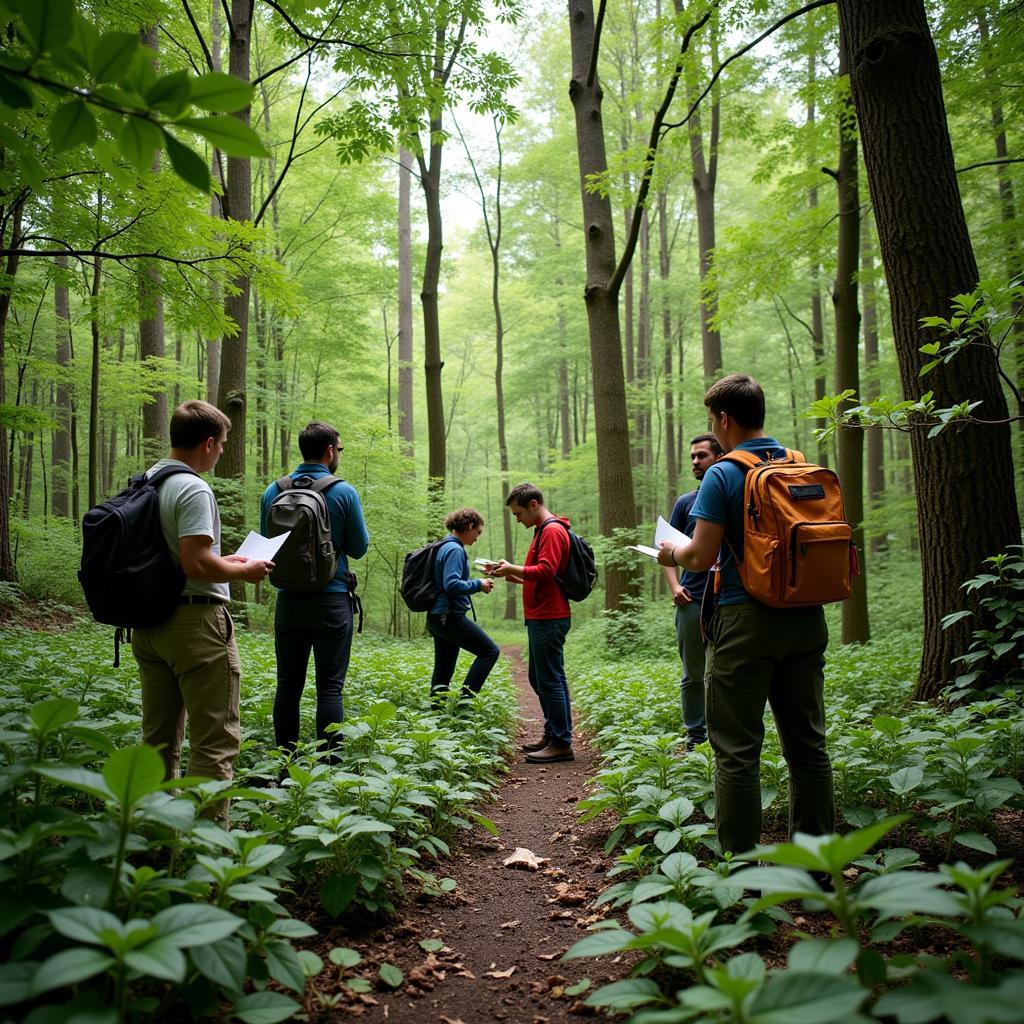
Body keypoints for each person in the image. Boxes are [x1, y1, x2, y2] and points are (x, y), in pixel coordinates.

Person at [657, 374, 835, 857]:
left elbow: (699, 556)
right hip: (806, 618)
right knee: (808, 748)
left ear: (724, 419)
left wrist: (670, 554)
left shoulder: (723, 474)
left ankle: (742, 870)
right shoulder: (801, 466)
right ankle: (819, 866)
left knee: (736, 753)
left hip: (744, 621)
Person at [131, 400, 275, 825]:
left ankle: (153, 837)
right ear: (208, 443)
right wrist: (245, 572)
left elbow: (183, 555)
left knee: (158, 740)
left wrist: (227, 559)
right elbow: (196, 564)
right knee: (214, 742)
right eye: (223, 445)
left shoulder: (149, 481)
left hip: (150, 623)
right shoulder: (193, 487)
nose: (222, 453)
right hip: (195, 626)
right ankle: (201, 854)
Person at [260, 422, 369, 755]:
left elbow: (267, 545)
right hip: (332, 601)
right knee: (330, 690)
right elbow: (359, 547)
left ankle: (284, 766)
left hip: (289, 601)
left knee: (288, 688)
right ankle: (330, 766)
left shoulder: (273, 490)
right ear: (330, 451)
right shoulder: (343, 492)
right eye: (340, 449)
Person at [488, 483, 574, 764]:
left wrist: (512, 568)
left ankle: (561, 742)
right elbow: (542, 575)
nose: (518, 519)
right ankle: (553, 734)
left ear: (533, 505)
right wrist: (510, 574)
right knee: (541, 678)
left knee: (550, 679)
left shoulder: (551, 530)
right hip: (541, 615)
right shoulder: (544, 530)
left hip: (550, 616)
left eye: (518, 513)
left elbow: (548, 571)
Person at [662, 433, 722, 750]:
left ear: (719, 457)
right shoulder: (686, 502)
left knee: (725, 675)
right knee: (693, 674)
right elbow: (665, 550)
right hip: (692, 599)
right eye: (692, 457)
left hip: (728, 601)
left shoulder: (735, 497)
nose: (695, 462)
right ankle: (696, 738)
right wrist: (674, 586)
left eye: (702, 456)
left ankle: (723, 735)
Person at [427, 508, 500, 707]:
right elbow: (451, 585)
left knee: (443, 668)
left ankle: (437, 711)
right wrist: (479, 584)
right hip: (449, 616)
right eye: (478, 532)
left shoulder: (445, 546)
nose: (477, 537)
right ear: (470, 526)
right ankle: (464, 704)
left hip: (437, 616)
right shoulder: (455, 549)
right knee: (490, 652)